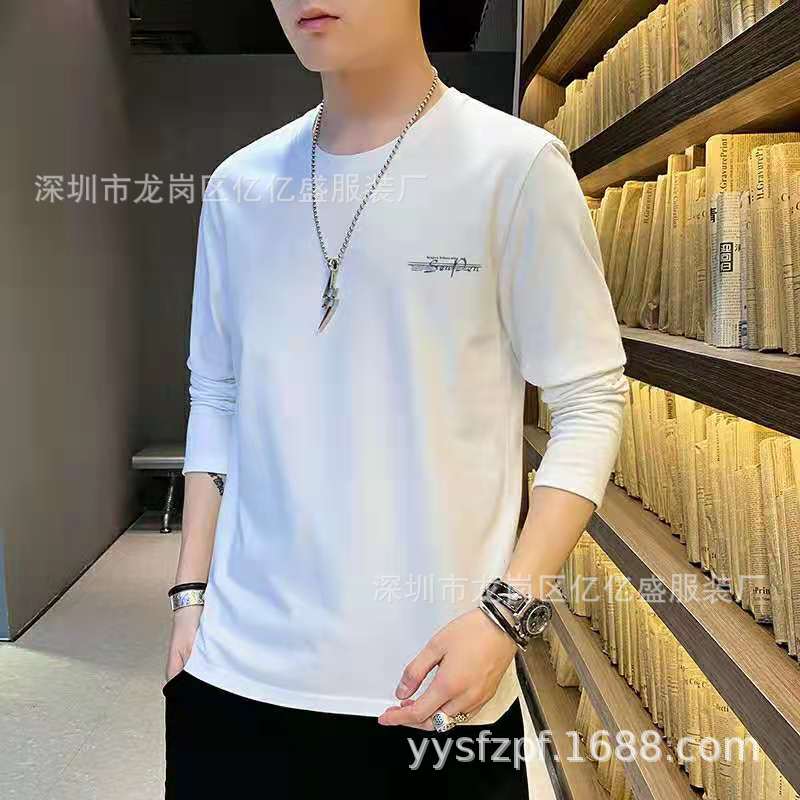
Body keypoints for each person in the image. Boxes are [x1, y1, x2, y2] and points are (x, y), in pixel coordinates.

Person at [162, 1, 627, 797]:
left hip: (435, 688)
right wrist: (189, 598)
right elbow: (217, 393)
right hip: (234, 675)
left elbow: (589, 401)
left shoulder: (513, 167)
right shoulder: (241, 186)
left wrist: (505, 617)